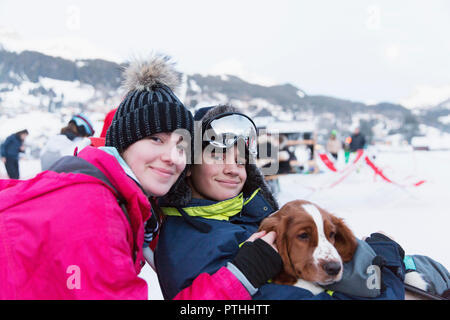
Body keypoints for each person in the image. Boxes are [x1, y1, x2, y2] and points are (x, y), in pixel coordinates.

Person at [0, 56, 277, 300]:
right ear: (123, 143)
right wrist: (242, 274)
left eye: (181, 146)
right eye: (156, 139)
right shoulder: (95, 211)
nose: (172, 156)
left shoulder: (114, 201)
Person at [155, 105, 407, 300]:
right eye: (218, 155)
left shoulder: (240, 218)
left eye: (242, 159)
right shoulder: (196, 241)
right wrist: (389, 263)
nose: (233, 169)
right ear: (188, 165)